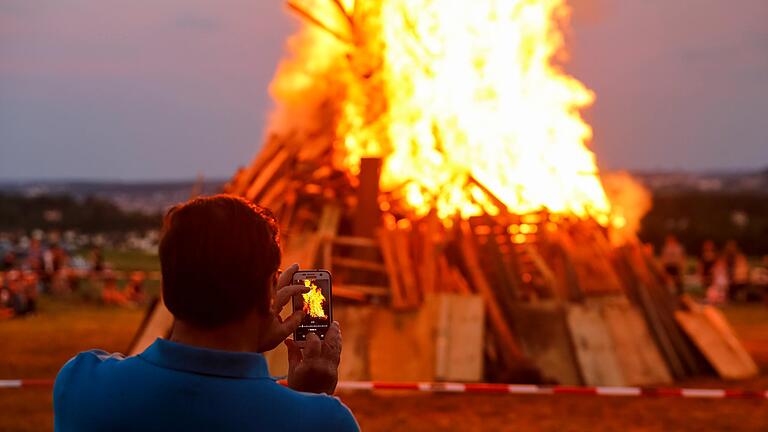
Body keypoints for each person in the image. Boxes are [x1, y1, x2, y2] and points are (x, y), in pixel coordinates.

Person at [54, 195, 358, 431]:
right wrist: (310, 398)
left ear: (166, 289)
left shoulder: (81, 384)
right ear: (269, 290)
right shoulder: (323, 422)